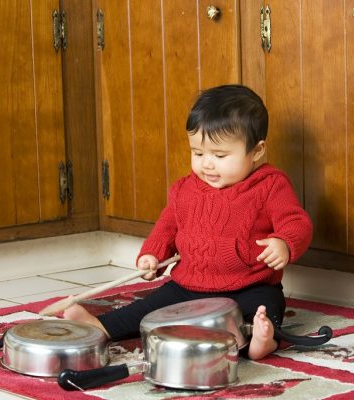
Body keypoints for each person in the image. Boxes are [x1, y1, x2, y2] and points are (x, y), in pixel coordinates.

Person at [64, 84, 313, 360]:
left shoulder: (270, 185)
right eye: (198, 153)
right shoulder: (184, 189)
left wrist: (285, 243)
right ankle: (102, 327)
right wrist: (151, 254)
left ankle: (263, 340)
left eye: (219, 156)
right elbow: (167, 226)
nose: (207, 164)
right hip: (188, 285)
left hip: (250, 284)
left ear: (256, 151)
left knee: (265, 308)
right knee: (150, 307)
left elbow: (296, 221)